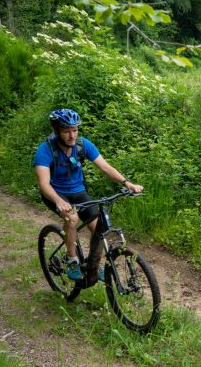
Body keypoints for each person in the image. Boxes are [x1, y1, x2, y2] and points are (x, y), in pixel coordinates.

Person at [33, 109, 143, 281]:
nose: (72, 135)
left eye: (75, 130)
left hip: (78, 191)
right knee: (72, 218)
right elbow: (44, 184)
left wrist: (126, 182)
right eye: (66, 131)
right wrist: (58, 201)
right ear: (56, 131)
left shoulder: (83, 145)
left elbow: (105, 167)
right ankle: (72, 260)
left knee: (99, 226)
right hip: (55, 193)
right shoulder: (45, 150)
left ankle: (92, 265)